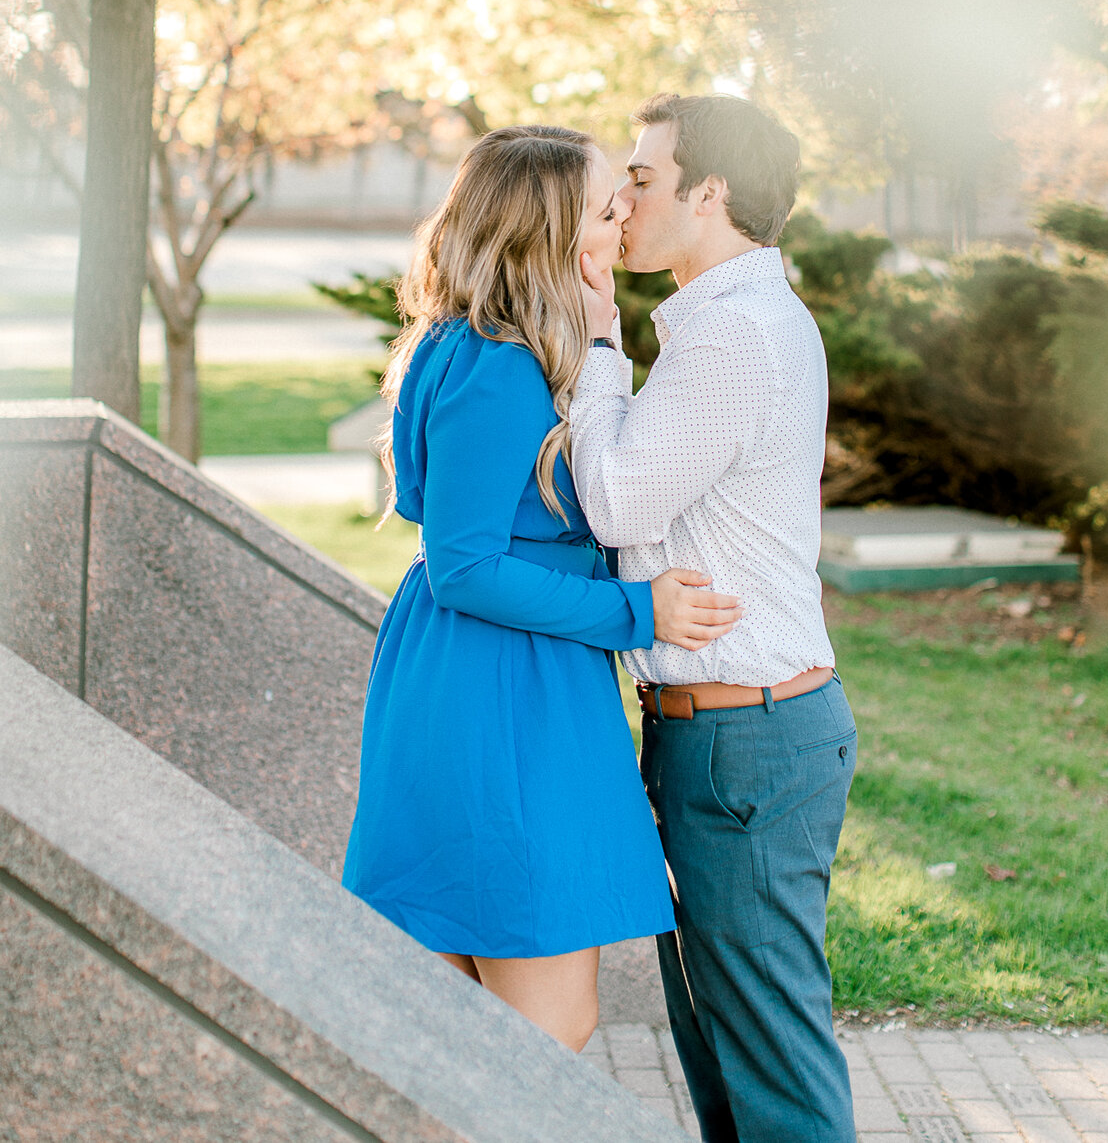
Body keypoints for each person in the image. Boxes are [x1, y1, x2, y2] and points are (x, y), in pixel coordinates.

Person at [342, 125, 745, 1051]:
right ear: (559, 235)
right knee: (545, 1026)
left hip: (493, 677)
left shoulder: (479, 344)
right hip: (500, 692)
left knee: (458, 1024)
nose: (626, 216)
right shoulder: (500, 364)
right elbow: (466, 564)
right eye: (608, 206)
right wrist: (637, 611)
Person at [572, 93, 857, 1143]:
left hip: (747, 743)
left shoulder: (734, 335)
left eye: (642, 180)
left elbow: (617, 501)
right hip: (722, 733)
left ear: (711, 192)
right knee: (725, 1058)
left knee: (771, 1070)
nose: (623, 200)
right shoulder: (722, 323)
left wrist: (600, 342)